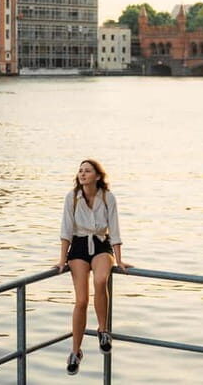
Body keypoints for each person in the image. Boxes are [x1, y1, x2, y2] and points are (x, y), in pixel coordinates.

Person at [55, 159, 132, 376]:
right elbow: (66, 230)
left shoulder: (108, 198)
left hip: (100, 244)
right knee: (81, 300)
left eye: (87, 171)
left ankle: (103, 331)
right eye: (80, 171)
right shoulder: (71, 198)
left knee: (100, 281)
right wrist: (62, 260)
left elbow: (115, 230)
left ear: (97, 176)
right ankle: (75, 352)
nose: (82, 174)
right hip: (78, 246)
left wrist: (119, 259)